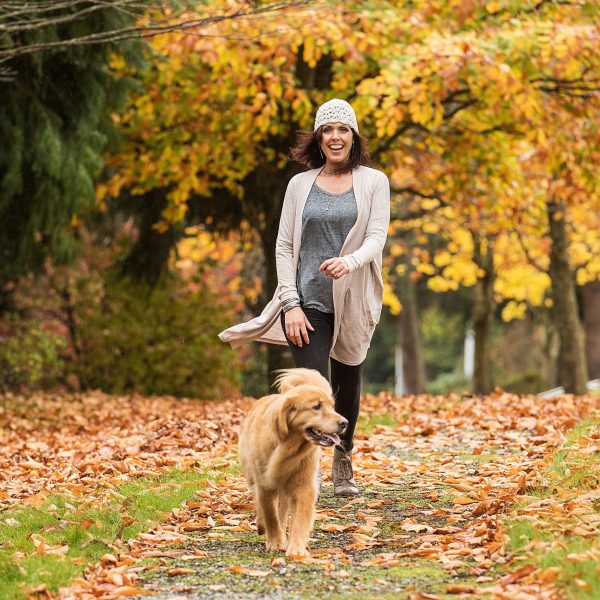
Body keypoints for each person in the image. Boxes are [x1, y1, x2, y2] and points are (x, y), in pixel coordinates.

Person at [219, 98, 390, 496]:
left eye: (342, 129)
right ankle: (300, 472)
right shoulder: (300, 185)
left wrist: (349, 262)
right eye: (327, 130)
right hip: (307, 302)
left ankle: (342, 454)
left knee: (346, 386)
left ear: (354, 137)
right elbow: (283, 247)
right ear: (318, 137)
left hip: (353, 299)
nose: (335, 137)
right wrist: (290, 304)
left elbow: (376, 237)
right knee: (311, 388)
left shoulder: (374, 182)